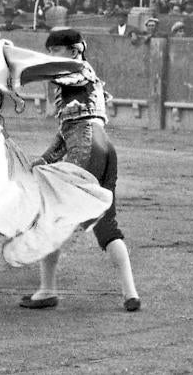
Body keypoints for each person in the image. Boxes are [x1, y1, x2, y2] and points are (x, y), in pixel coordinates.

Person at [24, 28, 140, 313]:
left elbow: (75, 129)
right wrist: (44, 159)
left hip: (86, 148)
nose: (50, 56)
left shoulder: (77, 69)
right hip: (104, 148)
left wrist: (16, 68)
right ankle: (130, 294)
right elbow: (69, 132)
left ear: (74, 50)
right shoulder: (89, 80)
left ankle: (47, 290)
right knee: (105, 223)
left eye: (55, 51)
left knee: (49, 214)